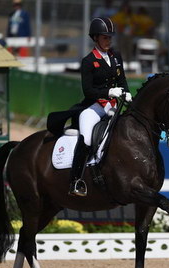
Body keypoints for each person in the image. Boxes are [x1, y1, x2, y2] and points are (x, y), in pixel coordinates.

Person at [68, 17, 132, 197]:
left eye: (110, 37)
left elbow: (122, 79)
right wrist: (109, 92)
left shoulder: (116, 56)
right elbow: (88, 91)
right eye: (105, 37)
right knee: (87, 138)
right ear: (95, 38)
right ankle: (76, 180)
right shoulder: (88, 61)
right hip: (94, 107)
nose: (108, 41)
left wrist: (126, 93)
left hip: (113, 106)